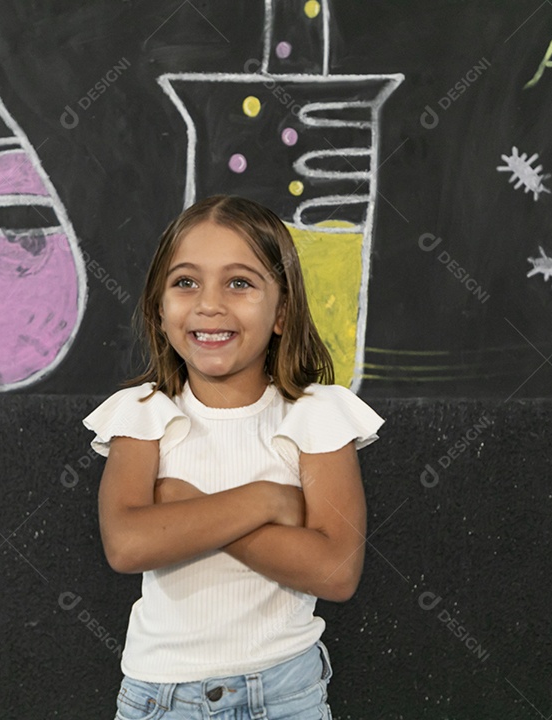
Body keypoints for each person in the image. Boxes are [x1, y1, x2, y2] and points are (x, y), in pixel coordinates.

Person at [82, 195, 385, 719]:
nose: (209, 304)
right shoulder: (143, 412)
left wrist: (183, 507)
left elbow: (335, 570)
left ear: (282, 312)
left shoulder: (317, 413)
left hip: (285, 695)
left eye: (239, 283)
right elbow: (128, 545)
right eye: (185, 282)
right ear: (159, 310)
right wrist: (266, 500)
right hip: (162, 699)